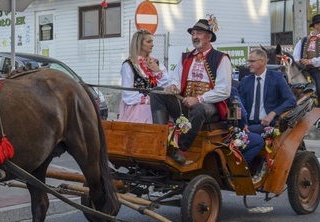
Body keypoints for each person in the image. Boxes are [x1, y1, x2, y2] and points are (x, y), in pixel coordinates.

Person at [150, 17, 232, 165]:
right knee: (157, 92)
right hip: (185, 102)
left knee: (199, 109)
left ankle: (181, 150)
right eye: (193, 33)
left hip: (209, 106)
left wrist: (199, 99)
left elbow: (224, 90)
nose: (195, 37)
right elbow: (175, 78)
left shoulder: (221, 58)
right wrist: (173, 86)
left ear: (209, 37)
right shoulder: (185, 57)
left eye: (199, 33)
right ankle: (161, 139)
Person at [239, 48, 297, 134]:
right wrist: (243, 123)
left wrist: (273, 113)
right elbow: (241, 105)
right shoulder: (245, 81)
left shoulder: (276, 77)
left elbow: (291, 100)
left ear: (262, 62)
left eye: (252, 61)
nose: (248, 65)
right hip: (248, 124)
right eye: (248, 61)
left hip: (268, 124)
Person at [119, 29, 169, 123]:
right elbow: (128, 93)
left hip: (157, 107)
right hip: (137, 108)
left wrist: (157, 71)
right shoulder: (129, 65)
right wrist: (147, 100)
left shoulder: (155, 63)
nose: (152, 44)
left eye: (152, 41)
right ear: (139, 44)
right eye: (148, 41)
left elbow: (166, 86)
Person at [293, 13, 320, 113]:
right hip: (303, 69)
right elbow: (296, 54)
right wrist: (298, 61)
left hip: (319, 70)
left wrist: (311, 61)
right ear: (316, 26)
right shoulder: (303, 40)